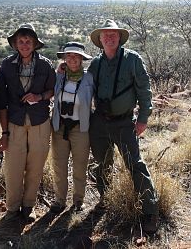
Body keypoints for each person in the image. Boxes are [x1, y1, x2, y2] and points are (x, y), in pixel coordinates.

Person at [88, 19, 159, 233]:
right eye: (105, 35)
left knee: (135, 165)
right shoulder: (95, 63)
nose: (109, 37)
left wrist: (143, 118)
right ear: (100, 39)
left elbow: (144, 91)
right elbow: (84, 88)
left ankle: (150, 211)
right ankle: (105, 199)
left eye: (113, 34)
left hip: (124, 123)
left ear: (119, 37)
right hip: (99, 123)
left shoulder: (132, 60)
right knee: (102, 164)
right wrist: (63, 70)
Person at [0, 23, 56, 222]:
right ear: (15, 44)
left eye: (28, 41)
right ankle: (12, 208)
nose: (24, 45)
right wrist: (3, 131)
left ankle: (28, 206)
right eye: (21, 41)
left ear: (34, 44)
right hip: (15, 121)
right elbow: (1, 97)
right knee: (13, 166)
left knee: (36, 165)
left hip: (40, 121)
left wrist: (39, 97)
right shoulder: (7, 65)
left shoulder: (45, 65)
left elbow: (52, 90)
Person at [50, 42, 94, 213]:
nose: (73, 59)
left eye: (76, 56)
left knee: (80, 165)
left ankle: (78, 201)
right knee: (59, 165)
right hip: (60, 126)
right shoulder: (59, 76)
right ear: (64, 58)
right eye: (69, 56)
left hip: (80, 128)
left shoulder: (89, 77)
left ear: (82, 59)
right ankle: (59, 200)